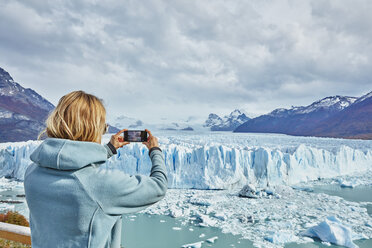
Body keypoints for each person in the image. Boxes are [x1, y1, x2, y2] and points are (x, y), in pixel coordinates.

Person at [24, 90, 168, 248]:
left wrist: (109, 149)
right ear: (92, 129)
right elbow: (158, 187)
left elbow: (72, 167)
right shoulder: (102, 185)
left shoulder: (31, 173)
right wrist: (155, 150)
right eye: (103, 128)